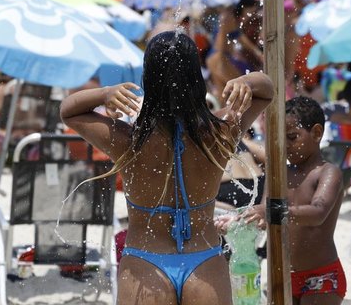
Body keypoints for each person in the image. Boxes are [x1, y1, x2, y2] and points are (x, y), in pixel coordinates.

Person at [60, 31, 273, 305]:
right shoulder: (220, 133)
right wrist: (245, 81)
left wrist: (105, 93)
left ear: (148, 79)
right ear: (197, 80)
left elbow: (69, 111)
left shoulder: (129, 141)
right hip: (204, 258)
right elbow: (266, 90)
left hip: (145, 259)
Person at [239, 97, 346, 304]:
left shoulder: (327, 172)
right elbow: (263, 213)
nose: (285, 145)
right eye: (281, 138)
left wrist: (270, 211)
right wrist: (239, 221)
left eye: (292, 137)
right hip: (281, 275)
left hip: (321, 277)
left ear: (316, 133)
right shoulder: (279, 172)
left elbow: (318, 213)